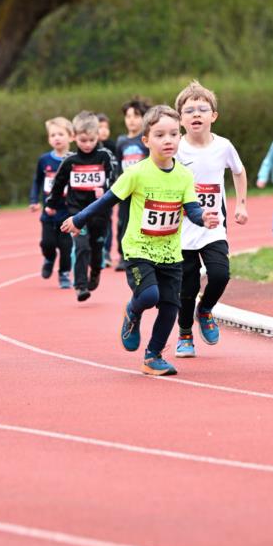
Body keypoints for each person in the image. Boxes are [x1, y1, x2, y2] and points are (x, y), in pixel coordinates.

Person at [61, 105, 219, 375]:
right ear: (146, 140)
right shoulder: (137, 173)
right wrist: (79, 219)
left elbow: (191, 209)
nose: (168, 140)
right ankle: (132, 312)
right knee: (148, 295)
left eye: (173, 134)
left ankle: (153, 356)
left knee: (170, 307)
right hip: (138, 250)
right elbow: (107, 200)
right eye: (160, 135)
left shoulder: (184, 175)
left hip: (170, 253)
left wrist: (203, 216)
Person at [173, 79, 248, 358]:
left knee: (220, 274)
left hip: (214, 226)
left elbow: (238, 171)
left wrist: (241, 204)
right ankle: (184, 334)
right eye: (189, 110)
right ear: (180, 119)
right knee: (187, 287)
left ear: (213, 116)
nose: (196, 114)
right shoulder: (175, 148)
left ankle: (205, 310)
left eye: (202, 109)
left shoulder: (223, 146)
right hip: (181, 229)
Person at [45, 110, 115, 302]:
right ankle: (81, 286)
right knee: (82, 246)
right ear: (75, 137)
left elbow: (114, 179)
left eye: (91, 140)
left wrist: (105, 189)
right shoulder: (70, 161)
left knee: (97, 247)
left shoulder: (104, 156)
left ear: (97, 136)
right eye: (83, 140)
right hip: (77, 211)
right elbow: (58, 183)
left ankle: (96, 271)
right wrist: (52, 203)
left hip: (100, 211)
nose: (87, 144)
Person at [29, 116, 74, 289]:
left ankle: (64, 274)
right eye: (53, 135)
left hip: (68, 212)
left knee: (66, 246)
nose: (57, 138)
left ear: (71, 137)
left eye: (61, 134)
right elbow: (37, 181)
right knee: (47, 243)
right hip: (49, 211)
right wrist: (34, 200)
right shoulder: (44, 160)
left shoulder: (75, 160)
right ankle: (49, 258)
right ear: (49, 139)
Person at [114, 97, 150, 270]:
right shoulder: (121, 141)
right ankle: (123, 255)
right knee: (123, 221)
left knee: (141, 221)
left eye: (136, 116)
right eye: (128, 116)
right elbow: (117, 164)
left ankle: (143, 253)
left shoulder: (146, 140)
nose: (131, 120)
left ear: (143, 118)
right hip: (126, 189)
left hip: (142, 190)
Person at [97, 113, 118, 267]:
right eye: (100, 127)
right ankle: (95, 250)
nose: (103, 130)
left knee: (107, 221)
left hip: (108, 190)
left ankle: (106, 252)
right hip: (92, 192)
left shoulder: (113, 146)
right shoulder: (89, 147)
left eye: (106, 127)